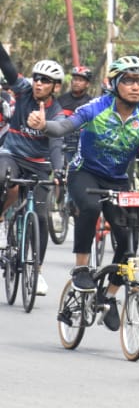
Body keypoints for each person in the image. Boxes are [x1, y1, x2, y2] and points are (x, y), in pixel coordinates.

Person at [38, 56, 139, 330]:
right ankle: (81, 268)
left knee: (130, 241)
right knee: (90, 207)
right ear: (115, 84)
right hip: (85, 173)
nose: (136, 87)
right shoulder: (96, 107)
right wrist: (44, 125)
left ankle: (109, 296)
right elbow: (64, 127)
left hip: (118, 181)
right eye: (128, 81)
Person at [0, 45, 65, 296]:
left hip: (39, 166)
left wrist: (58, 172)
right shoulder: (24, 90)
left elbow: (58, 145)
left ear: (55, 86)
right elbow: (7, 65)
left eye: (45, 81)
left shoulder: (57, 113)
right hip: (12, 155)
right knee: (4, 176)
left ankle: (36, 271)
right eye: (37, 78)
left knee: (40, 217)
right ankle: (2, 214)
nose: (38, 83)